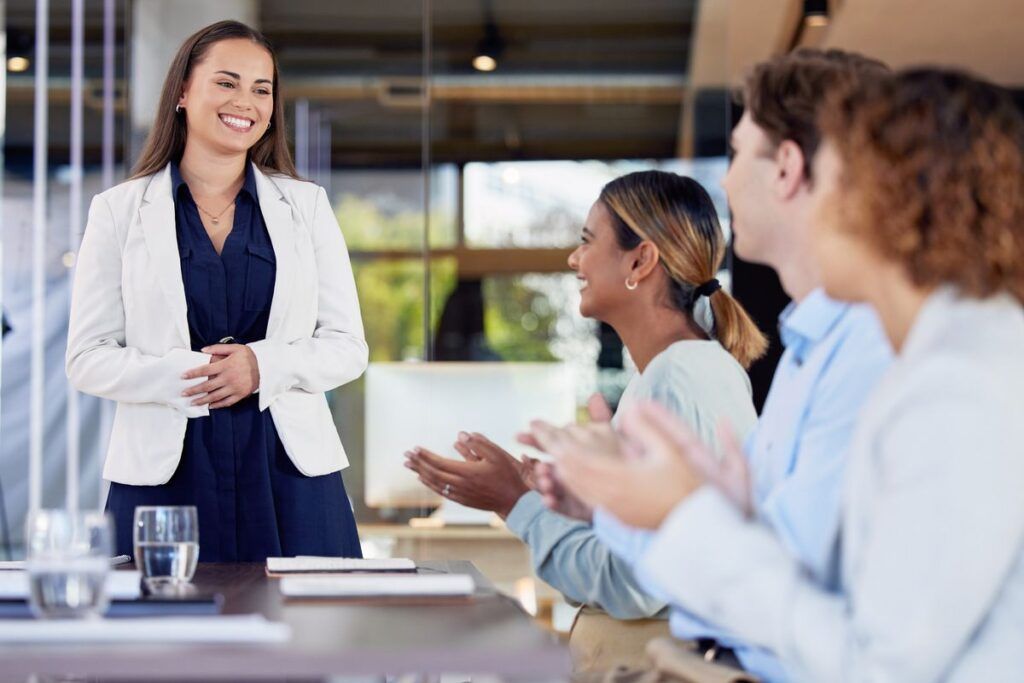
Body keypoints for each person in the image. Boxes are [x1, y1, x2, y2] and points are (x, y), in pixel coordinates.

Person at [534, 68, 1024, 682]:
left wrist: (691, 515)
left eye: (828, 179)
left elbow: (876, 665)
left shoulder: (958, 385)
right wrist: (681, 508)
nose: (809, 205)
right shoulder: (927, 362)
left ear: (896, 199)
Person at [405, 171, 766, 646]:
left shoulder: (674, 379)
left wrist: (515, 501)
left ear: (640, 261)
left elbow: (632, 582)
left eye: (587, 241)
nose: (574, 259)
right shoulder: (680, 372)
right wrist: (570, 501)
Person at [66, 21, 368, 561]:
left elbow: (348, 346)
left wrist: (261, 367)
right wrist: (192, 376)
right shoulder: (117, 211)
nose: (246, 103)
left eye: (262, 89)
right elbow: (86, 358)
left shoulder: (307, 207)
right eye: (227, 83)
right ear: (182, 92)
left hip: (289, 471)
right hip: (165, 476)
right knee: (158, 640)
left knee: (311, 638)